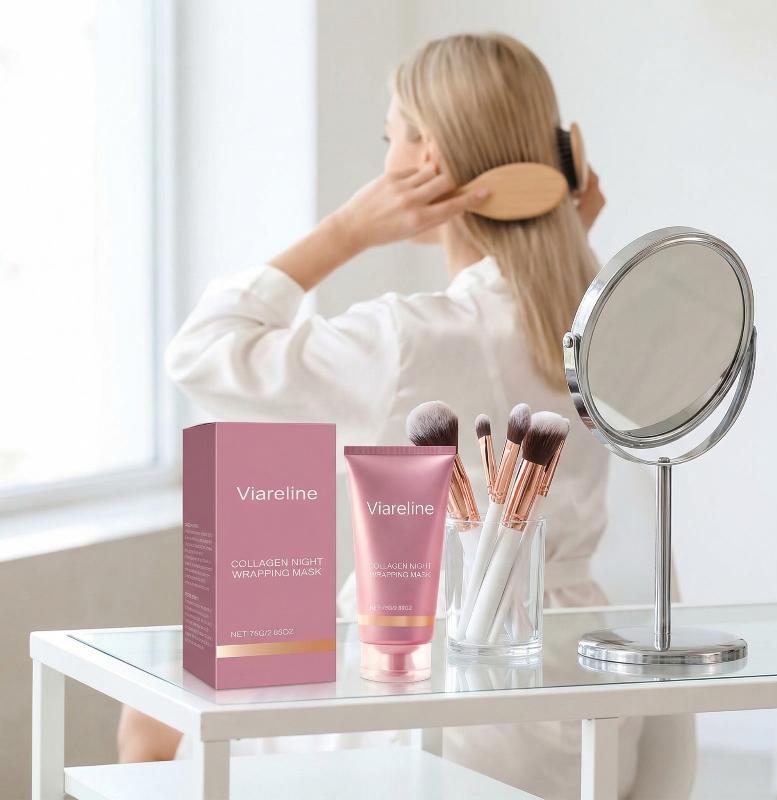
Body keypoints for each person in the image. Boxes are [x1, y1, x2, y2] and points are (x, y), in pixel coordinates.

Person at [121, 33, 647, 799]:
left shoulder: (408, 339)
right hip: (581, 713)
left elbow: (201, 352)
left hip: (443, 712)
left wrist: (346, 229)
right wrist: (566, 234)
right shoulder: (600, 328)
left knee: (146, 715)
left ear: (426, 158)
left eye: (390, 136)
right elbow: (523, 320)